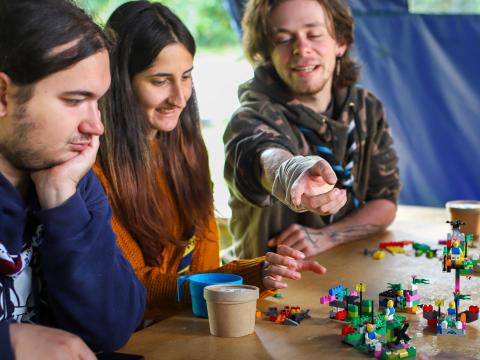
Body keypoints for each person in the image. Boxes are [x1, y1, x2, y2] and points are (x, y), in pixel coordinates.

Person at [95, 0, 327, 322]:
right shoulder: (94, 170)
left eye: (186, 77)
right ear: (120, 81)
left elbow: (203, 271)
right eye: (160, 81)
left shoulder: (187, 148)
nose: (179, 97)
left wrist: (258, 274)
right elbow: (130, 286)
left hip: (184, 325)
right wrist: (237, 281)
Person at [0, 1, 146, 359]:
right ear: (3, 95)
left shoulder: (69, 178)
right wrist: (10, 343)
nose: (96, 126)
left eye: (97, 102)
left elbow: (113, 326)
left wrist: (60, 197)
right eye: (75, 100)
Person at [223, 0, 400, 260]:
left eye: (314, 35)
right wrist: (291, 172)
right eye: (283, 39)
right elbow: (261, 153)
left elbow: (385, 201)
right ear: (267, 52)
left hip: (345, 274)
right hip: (265, 286)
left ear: (340, 42)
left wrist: (328, 236)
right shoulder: (252, 115)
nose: (301, 49)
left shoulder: (366, 108)